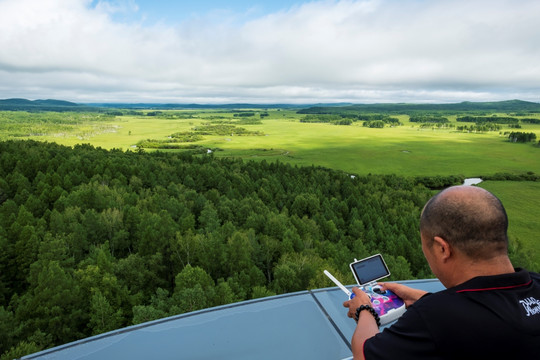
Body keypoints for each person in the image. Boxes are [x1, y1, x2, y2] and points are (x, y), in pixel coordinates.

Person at [343, 185, 540, 359]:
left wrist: (364, 309)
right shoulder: (535, 283)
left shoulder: (434, 318)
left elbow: (363, 354)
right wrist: (425, 299)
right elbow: (488, 314)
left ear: (442, 249)